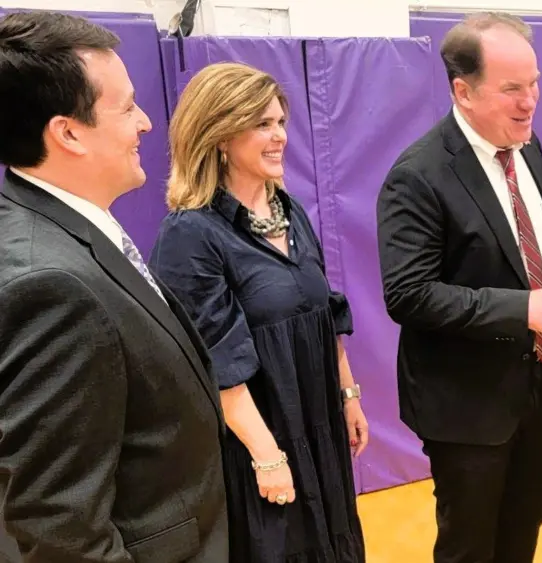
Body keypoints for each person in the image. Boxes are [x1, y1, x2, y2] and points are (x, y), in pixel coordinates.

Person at [0, 10, 228, 562]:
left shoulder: (60, 227)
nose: (147, 122)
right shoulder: (52, 286)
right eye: (127, 107)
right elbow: (58, 527)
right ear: (69, 132)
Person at [376, 12, 542, 563]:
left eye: (536, 83)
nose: (530, 102)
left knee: (522, 533)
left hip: (537, 389)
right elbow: (408, 293)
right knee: (471, 548)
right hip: (467, 405)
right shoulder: (419, 174)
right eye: (512, 89)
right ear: (463, 91)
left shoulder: (529, 149)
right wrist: (522, 309)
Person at [147, 62, 367, 563]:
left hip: (319, 422)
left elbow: (324, 311)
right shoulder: (191, 235)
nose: (279, 137)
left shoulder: (291, 211)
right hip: (258, 440)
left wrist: (348, 395)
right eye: (262, 124)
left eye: (281, 122)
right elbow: (214, 361)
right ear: (220, 136)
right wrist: (268, 456)